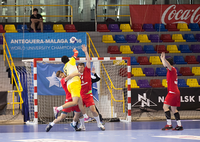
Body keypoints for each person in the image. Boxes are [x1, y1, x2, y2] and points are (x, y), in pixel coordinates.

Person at [54, 48, 88, 128]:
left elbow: (67, 76)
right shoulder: (71, 61)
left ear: (63, 62)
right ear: (68, 59)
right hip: (74, 83)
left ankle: (85, 116)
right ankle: (58, 108)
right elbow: (76, 52)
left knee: (80, 101)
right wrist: (74, 50)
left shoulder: (64, 68)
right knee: (75, 102)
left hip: (71, 85)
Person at [77, 44, 105, 131]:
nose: (81, 68)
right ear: (77, 68)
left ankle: (99, 124)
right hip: (80, 96)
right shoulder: (76, 74)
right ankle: (82, 126)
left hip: (88, 94)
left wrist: (85, 52)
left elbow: (88, 61)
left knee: (93, 110)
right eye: (79, 67)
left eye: (82, 67)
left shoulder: (86, 70)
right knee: (79, 112)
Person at [160, 52, 183, 131]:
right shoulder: (171, 70)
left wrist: (164, 59)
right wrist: (162, 59)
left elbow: (168, 65)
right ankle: (179, 125)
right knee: (174, 109)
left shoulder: (172, 69)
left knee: (165, 107)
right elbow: (165, 65)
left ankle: (169, 124)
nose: (165, 65)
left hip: (172, 92)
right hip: (176, 92)